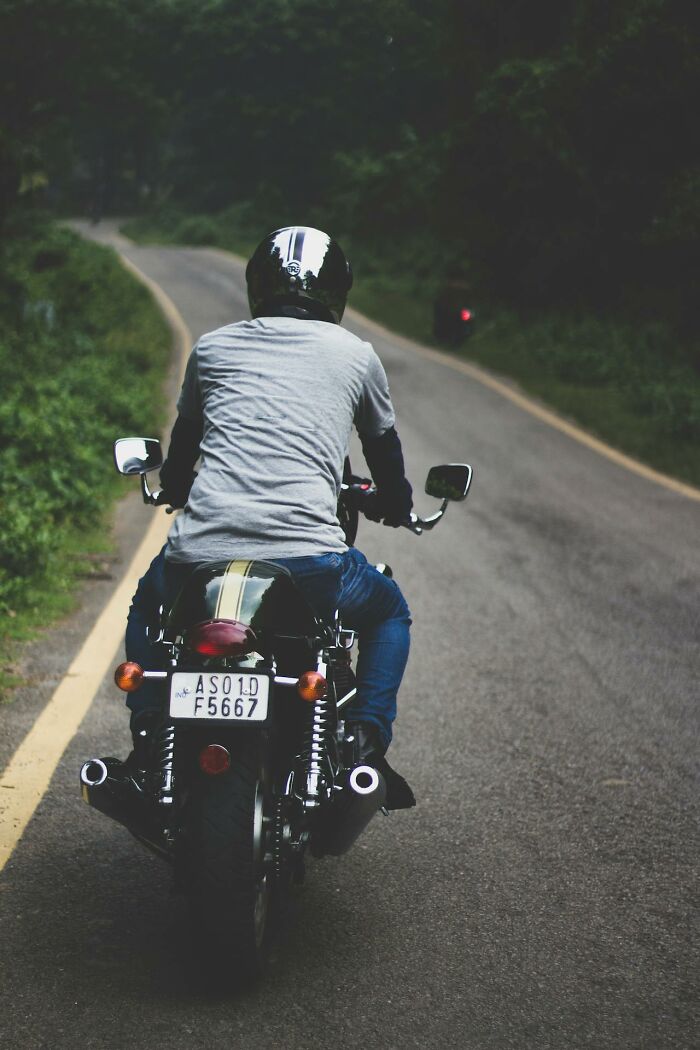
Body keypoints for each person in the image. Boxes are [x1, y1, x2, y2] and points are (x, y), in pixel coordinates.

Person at [126, 226, 415, 807]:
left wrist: (175, 488)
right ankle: (365, 736)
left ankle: (150, 728)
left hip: (195, 561)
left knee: (148, 603)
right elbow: (384, 452)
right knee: (389, 611)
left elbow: (181, 463)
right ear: (337, 292)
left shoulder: (211, 349)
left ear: (257, 284)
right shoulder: (356, 356)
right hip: (309, 563)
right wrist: (397, 505)